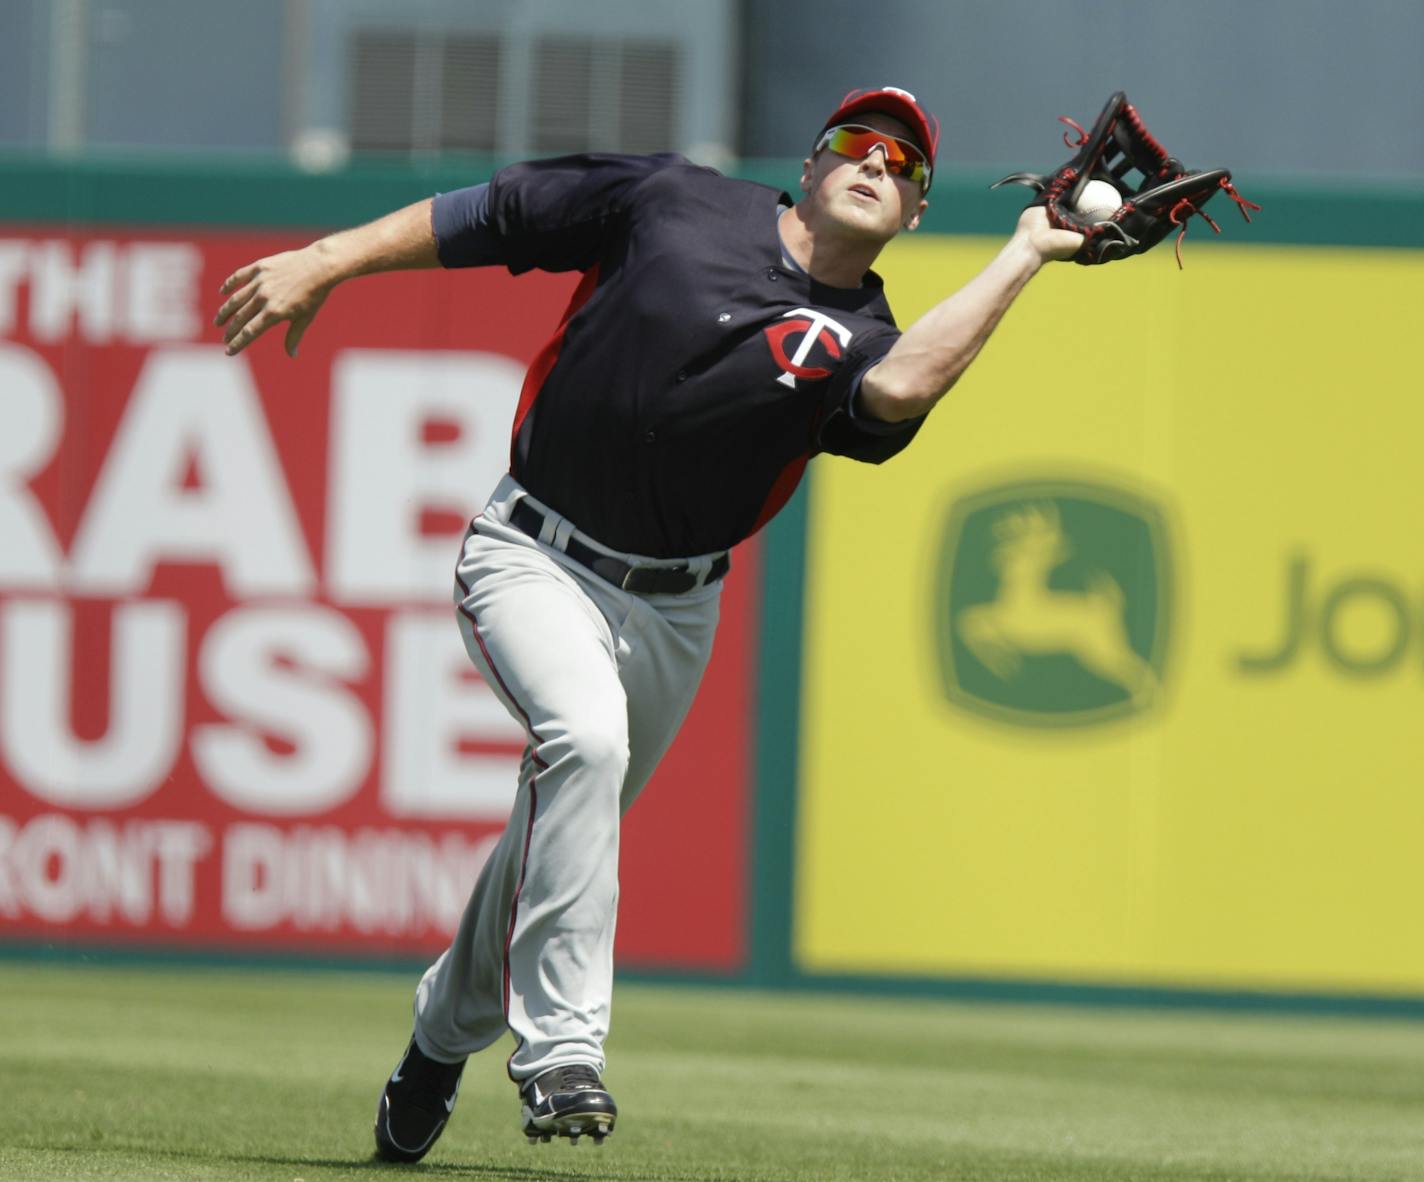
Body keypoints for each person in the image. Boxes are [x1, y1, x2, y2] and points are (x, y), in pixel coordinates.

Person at [214, 86, 1084, 1163]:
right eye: (857, 144)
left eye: (903, 166)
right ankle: (561, 1054)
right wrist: (328, 258)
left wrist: (1027, 252)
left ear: (912, 215)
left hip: (672, 609)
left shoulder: (863, 334)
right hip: (532, 550)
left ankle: (440, 1039)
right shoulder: (673, 200)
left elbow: (898, 391)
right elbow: (494, 215)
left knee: (560, 816)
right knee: (582, 743)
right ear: (809, 166)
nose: (878, 164)